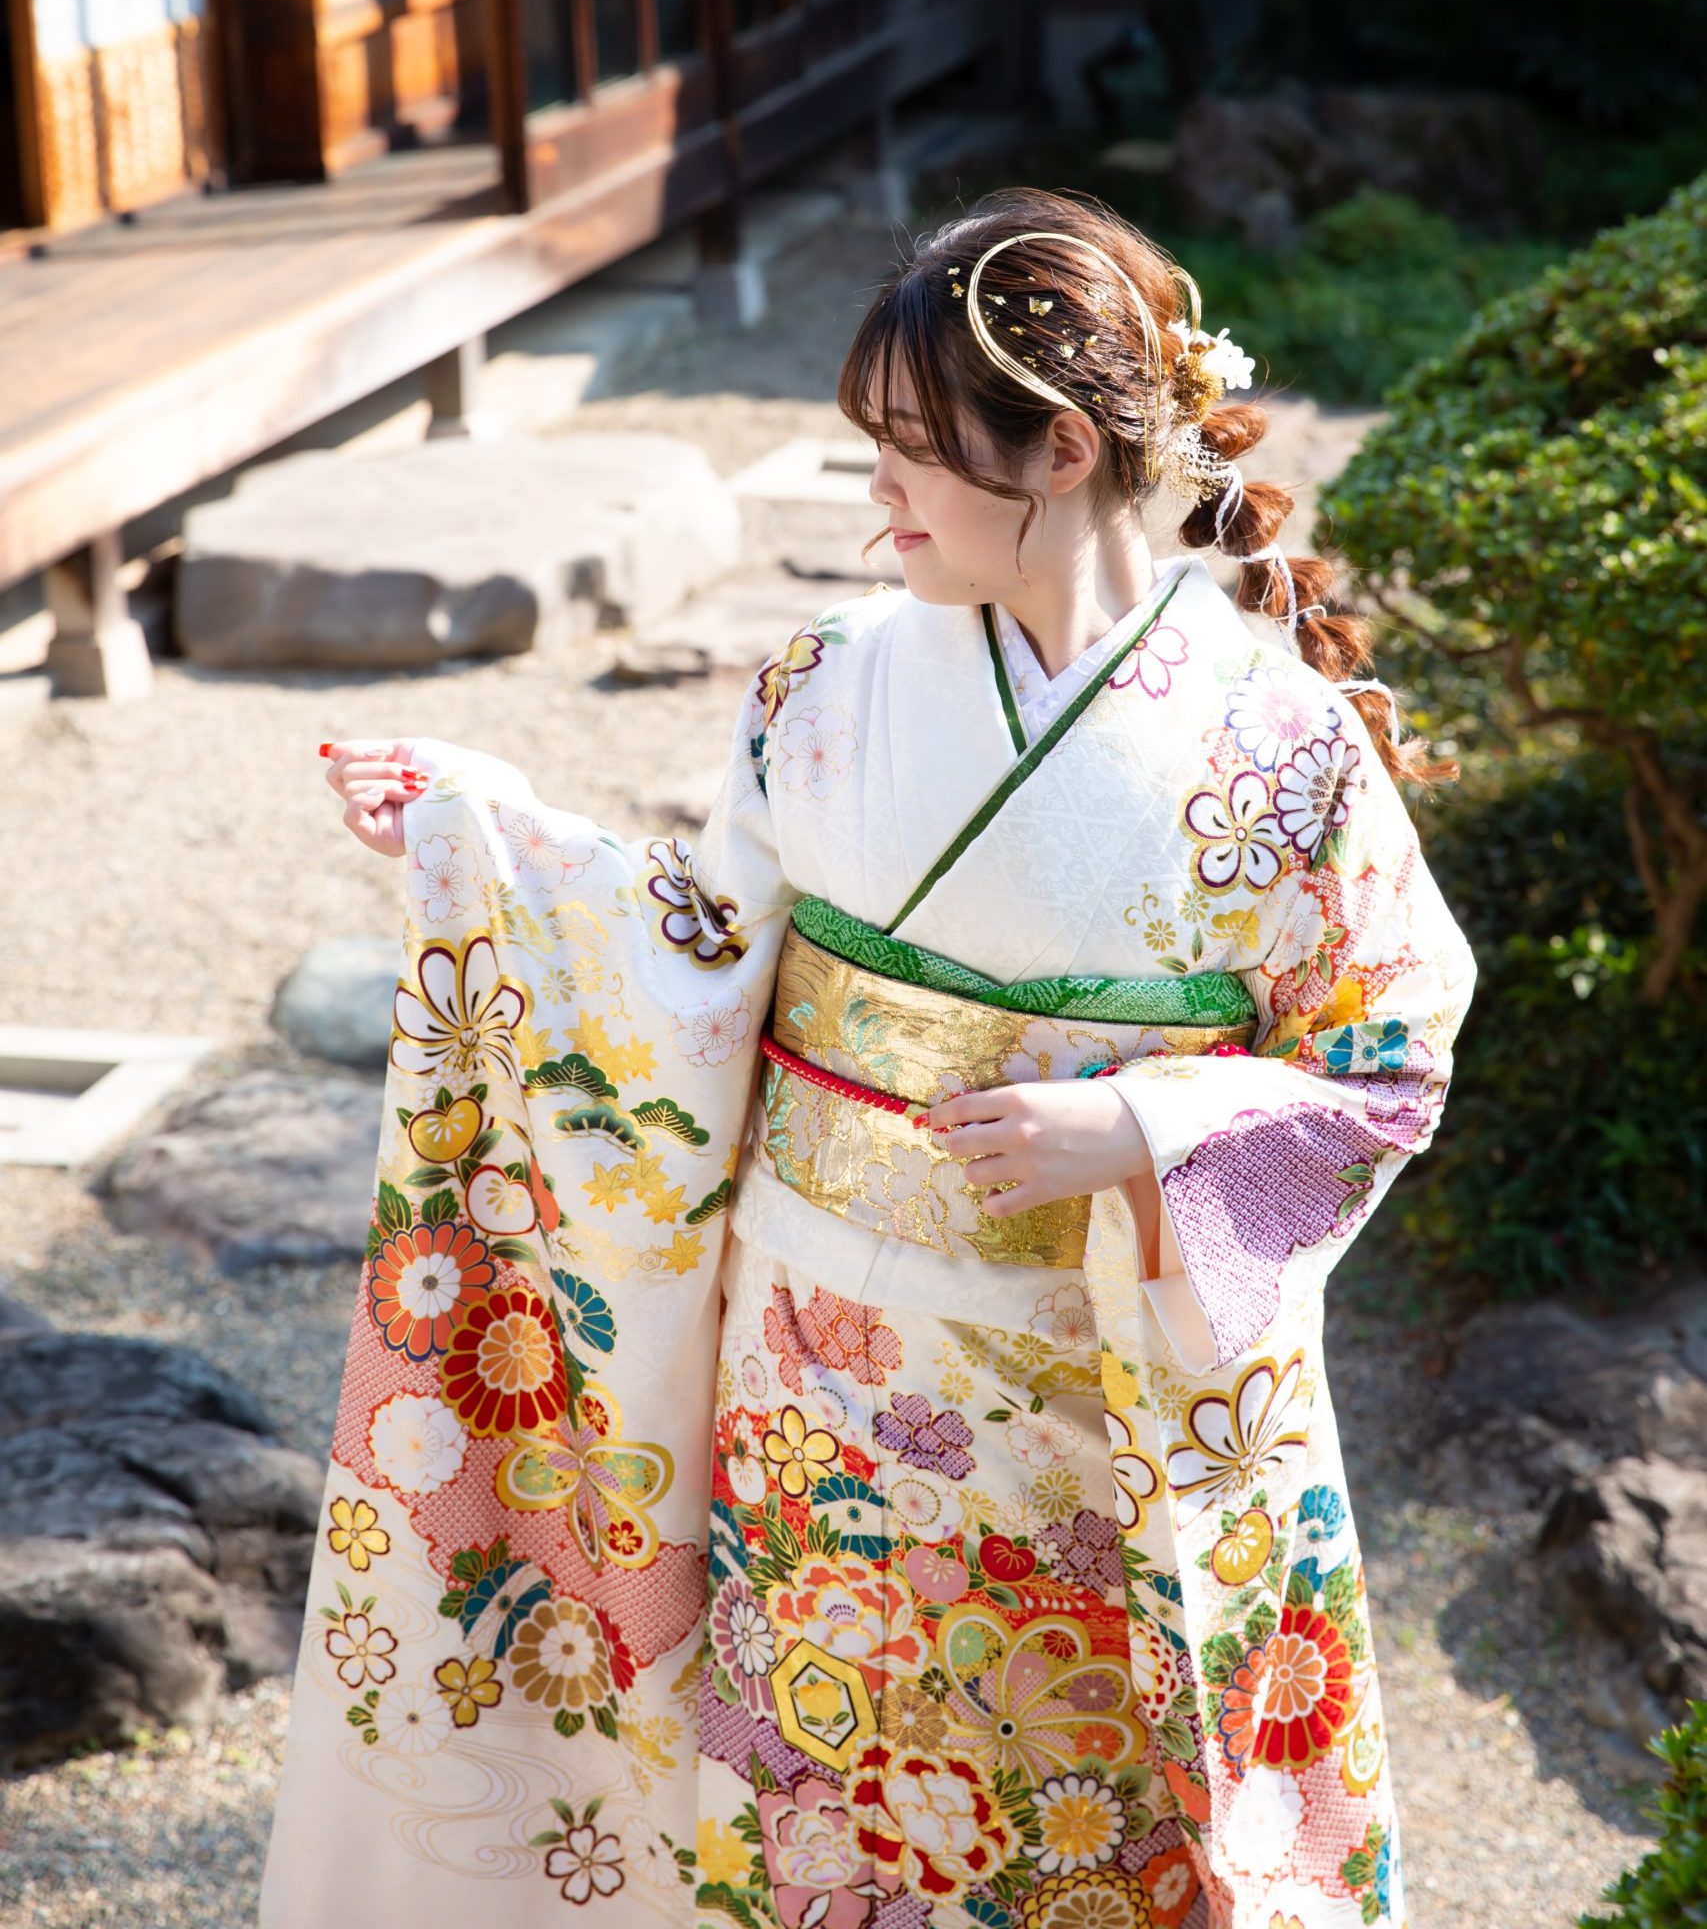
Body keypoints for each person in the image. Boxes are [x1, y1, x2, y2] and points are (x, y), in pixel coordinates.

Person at [262, 191, 1474, 1929]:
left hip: (1092, 1392)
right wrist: (487, 836)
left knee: (1083, 1815)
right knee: (824, 1803)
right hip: (811, 1374)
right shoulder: (823, 685)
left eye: (907, 453)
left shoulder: (1282, 752)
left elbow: (1386, 1059)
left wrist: (1147, 1124)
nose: (878, 497)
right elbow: (693, 951)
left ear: (1058, 450)